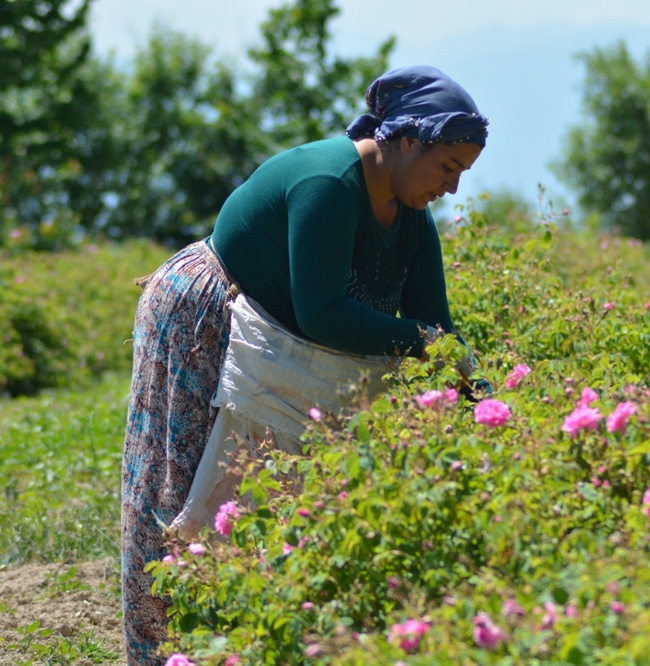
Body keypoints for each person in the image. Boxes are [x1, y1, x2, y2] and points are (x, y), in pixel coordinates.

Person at [121, 65, 490, 665]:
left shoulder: (412, 220)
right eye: (447, 167)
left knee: (249, 505)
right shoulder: (330, 183)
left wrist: (484, 396)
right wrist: (423, 341)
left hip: (269, 333)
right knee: (178, 487)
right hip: (203, 311)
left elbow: (436, 328)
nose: (451, 188)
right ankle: (160, 653)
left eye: (462, 174)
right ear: (406, 141)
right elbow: (323, 313)